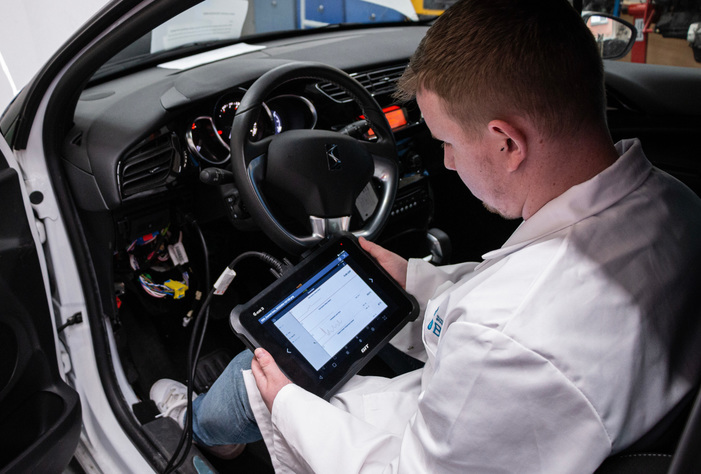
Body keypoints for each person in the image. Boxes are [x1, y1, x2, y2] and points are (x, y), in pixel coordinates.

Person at [151, 0, 701, 471]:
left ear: (506, 142)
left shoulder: (505, 336)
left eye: (447, 142)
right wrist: (414, 280)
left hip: (430, 447)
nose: (445, 161)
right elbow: (512, 285)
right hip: (533, 429)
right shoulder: (675, 203)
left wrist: (288, 402)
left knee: (260, 371)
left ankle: (194, 429)